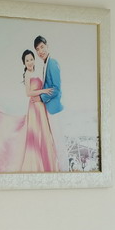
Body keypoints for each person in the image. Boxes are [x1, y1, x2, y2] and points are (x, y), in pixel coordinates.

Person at [20, 49, 59, 172]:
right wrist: (43, 91)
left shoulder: (37, 72)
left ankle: (46, 164)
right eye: (27, 60)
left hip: (41, 106)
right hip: (34, 107)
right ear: (24, 63)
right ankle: (36, 166)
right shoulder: (27, 74)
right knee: (36, 134)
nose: (30, 62)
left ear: (34, 60)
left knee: (44, 133)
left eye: (31, 59)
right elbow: (28, 93)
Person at [34, 35, 68, 171]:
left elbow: (56, 89)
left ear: (47, 46)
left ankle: (65, 173)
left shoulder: (52, 63)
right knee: (54, 144)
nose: (40, 51)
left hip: (55, 110)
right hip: (50, 110)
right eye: (37, 49)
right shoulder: (45, 65)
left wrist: (41, 98)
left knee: (59, 144)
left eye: (42, 47)